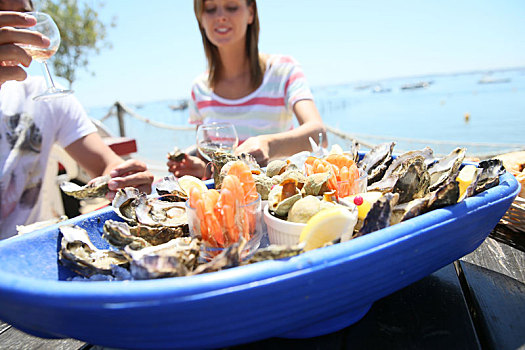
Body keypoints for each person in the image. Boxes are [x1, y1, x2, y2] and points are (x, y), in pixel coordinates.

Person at [0, 2, 154, 239]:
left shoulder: (45, 96)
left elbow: (104, 164)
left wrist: (123, 180)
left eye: (22, 16)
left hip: (30, 251)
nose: (12, 26)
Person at [167, 0, 326, 179]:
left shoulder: (284, 70)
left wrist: (268, 144)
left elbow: (319, 134)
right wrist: (201, 169)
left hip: (277, 196)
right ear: (200, 19)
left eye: (232, 7)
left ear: (251, 13)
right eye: (210, 9)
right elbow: (212, 165)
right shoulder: (199, 88)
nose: (220, 17)